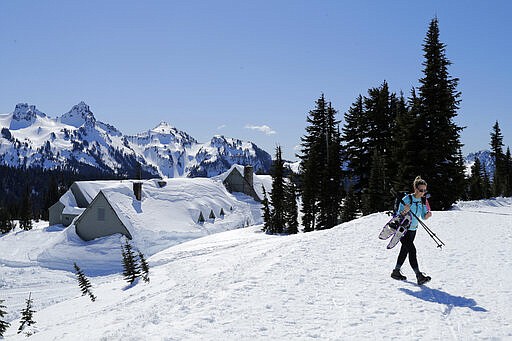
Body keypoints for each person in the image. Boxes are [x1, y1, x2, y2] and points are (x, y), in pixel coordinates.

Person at [390, 176, 433, 285]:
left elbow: (423, 216)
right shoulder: (407, 199)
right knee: (412, 250)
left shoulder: (422, 200)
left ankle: (396, 272)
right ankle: (419, 275)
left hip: (413, 230)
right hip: (403, 230)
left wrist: (427, 215)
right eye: (421, 190)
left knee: (405, 250)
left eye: (424, 190)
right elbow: (398, 216)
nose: (423, 192)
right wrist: (405, 211)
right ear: (415, 188)